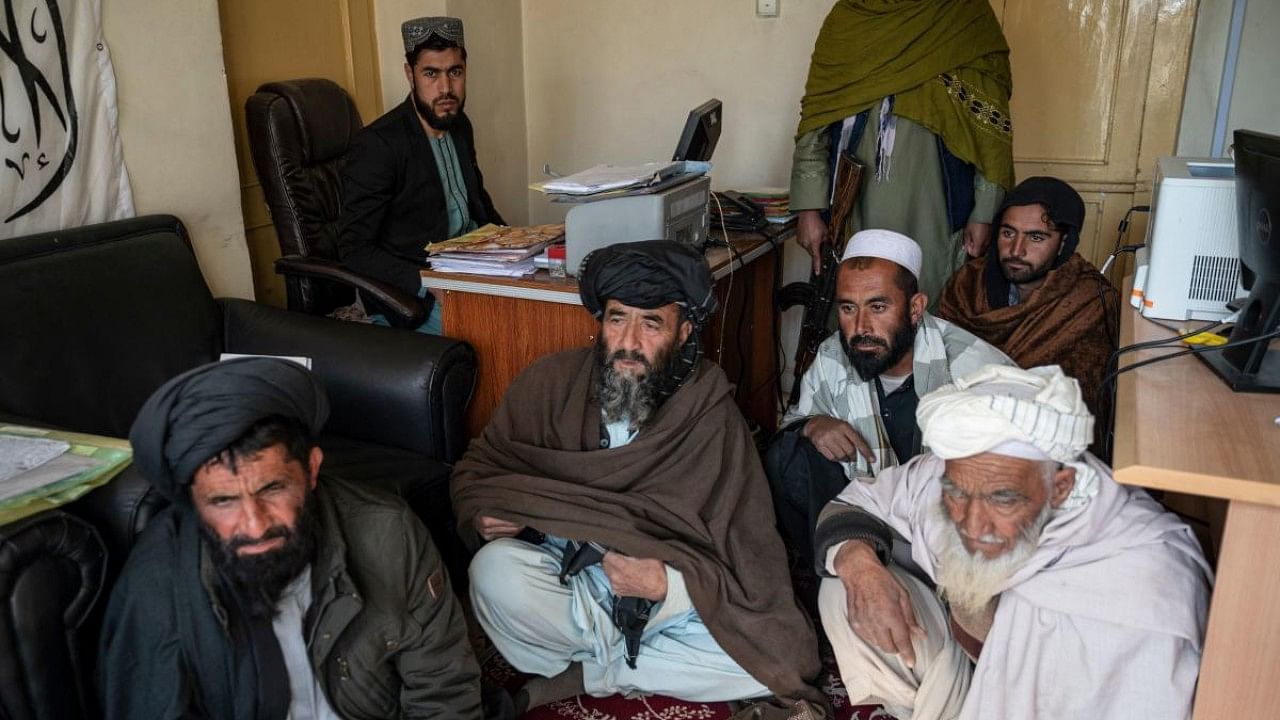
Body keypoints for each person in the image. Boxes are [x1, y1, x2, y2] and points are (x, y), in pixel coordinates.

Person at [452, 241, 826, 718]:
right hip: (576, 580)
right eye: (616, 319)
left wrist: (669, 585)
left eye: (651, 324)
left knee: (784, 658)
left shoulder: (709, 411)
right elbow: (477, 470)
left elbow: (746, 543)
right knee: (493, 573)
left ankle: (591, 672)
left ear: (684, 331)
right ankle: (631, 660)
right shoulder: (547, 384)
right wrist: (482, 513)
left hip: (675, 594)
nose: (629, 342)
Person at [815, 364, 1212, 720]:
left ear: (1060, 488)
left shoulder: (1143, 587)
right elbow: (855, 502)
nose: (971, 523)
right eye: (956, 493)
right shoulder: (952, 475)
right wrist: (859, 566)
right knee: (844, 574)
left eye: (1003, 498)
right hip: (963, 662)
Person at [100, 357, 481, 719]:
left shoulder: (386, 531)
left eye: (272, 489)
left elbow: (443, 684)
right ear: (194, 503)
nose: (254, 524)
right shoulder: (156, 583)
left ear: (312, 470)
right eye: (223, 501)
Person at [767, 229, 1011, 571]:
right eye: (848, 308)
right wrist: (813, 425)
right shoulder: (834, 355)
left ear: (915, 308)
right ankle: (834, 569)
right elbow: (793, 421)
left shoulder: (976, 368)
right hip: (858, 522)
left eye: (878, 306)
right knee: (788, 454)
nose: (861, 327)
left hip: (950, 538)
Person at [790, 0, 1015, 308]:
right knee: (860, 310)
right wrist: (809, 209)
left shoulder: (964, 13)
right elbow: (817, 119)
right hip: (856, 208)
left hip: (938, 209)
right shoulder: (850, 18)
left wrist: (985, 212)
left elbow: (991, 134)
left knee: (933, 309)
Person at [339, 16, 503, 334]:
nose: (445, 88)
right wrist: (428, 284)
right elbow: (354, 248)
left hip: (469, 270)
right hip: (414, 293)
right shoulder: (379, 145)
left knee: (550, 307)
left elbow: (478, 204)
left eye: (454, 72)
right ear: (410, 74)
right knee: (502, 331)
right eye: (431, 74)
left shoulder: (460, 125)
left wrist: (521, 250)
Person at [936, 177, 1118, 452]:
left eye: (1036, 237)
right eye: (1008, 233)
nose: (1016, 250)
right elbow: (936, 366)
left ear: (1064, 242)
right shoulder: (967, 284)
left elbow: (1089, 400)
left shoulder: (1090, 300)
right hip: (964, 436)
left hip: (1047, 447)